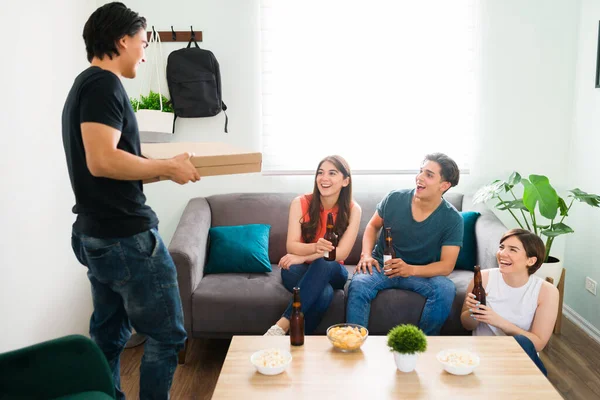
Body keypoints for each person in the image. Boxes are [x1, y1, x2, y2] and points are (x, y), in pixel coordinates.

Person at [61, 3, 200, 399]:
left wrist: (166, 168)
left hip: (97, 233)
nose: (143, 51)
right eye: (142, 42)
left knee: (109, 334)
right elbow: (102, 160)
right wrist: (166, 168)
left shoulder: (84, 85)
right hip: (126, 237)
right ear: (122, 40)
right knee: (168, 335)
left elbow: (107, 162)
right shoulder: (103, 85)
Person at [346, 153, 463, 335]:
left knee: (445, 288)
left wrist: (411, 269)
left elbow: (446, 266)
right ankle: (353, 342)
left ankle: (421, 347)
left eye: (429, 175)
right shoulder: (394, 198)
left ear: (444, 185)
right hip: (382, 267)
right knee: (359, 284)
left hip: (420, 273)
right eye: (421, 171)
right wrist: (366, 255)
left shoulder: (452, 219)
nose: (420, 178)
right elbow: (372, 226)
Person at [264, 155, 362, 335]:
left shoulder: (353, 210)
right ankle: (297, 341)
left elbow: (339, 254)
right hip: (299, 269)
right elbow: (291, 246)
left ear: (345, 181)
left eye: (332, 173)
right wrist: (315, 248)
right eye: (320, 173)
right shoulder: (300, 203)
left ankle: (281, 326)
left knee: (325, 262)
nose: (324, 178)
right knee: (324, 294)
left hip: (333, 270)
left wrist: (304, 256)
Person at [461, 229, 559, 376]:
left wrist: (497, 321)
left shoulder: (546, 291)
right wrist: (473, 312)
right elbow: (466, 325)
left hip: (520, 360)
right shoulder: (484, 278)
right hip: (483, 354)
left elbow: (538, 344)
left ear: (531, 260)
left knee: (522, 341)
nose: (502, 253)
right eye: (501, 247)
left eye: (513, 249)